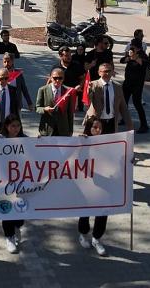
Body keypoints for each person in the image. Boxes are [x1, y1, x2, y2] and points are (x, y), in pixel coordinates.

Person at [77, 115, 110, 256]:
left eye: (100, 128)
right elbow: (77, 160)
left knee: (102, 212)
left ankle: (97, 238)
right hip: (87, 184)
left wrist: (130, 159)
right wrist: (81, 144)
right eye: (95, 127)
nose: (98, 130)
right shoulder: (82, 141)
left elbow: (120, 157)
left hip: (104, 184)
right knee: (85, 211)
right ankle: (83, 234)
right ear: (89, 128)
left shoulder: (109, 143)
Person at [0, 114, 26, 253]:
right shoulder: (0, 139)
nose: (16, 129)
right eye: (12, 126)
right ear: (7, 126)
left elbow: (39, 151)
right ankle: (9, 237)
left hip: (21, 181)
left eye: (18, 125)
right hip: (5, 182)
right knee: (7, 208)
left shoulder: (25, 140)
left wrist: (40, 141)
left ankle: (17, 227)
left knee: (20, 210)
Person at [85, 63, 133, 134]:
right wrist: (88, 90)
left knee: (109, 144)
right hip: (96, 121)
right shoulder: (93, 85)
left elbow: (123, 107)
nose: (107, 73)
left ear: (112, 72)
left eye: (109, 71)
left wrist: (130, 126)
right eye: (105, 71)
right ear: (99, 73)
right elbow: (87, 100)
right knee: (94, 144)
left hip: (111, 122)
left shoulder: (117, 87)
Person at [36, 67, 78, 137]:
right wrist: (45, 109)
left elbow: (70, 112)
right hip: (47, 129)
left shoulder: (68, 91)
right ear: (51, 78)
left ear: (63, 78)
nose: (57, 80)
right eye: (55, 78)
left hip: (63, 130)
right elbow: (37, 108)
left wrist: (71, 130)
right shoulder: (42, 90)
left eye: (60, 78)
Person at [121, 45, 149, 133]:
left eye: (133, 46)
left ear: (138, 47)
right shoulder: (131, 54)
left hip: (137, 85)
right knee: (123, 102)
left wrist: (134, 57)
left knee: (137, 104)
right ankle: (124, 119)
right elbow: (122, 60)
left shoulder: (143, 56)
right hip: (127, 83)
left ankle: (144, 125)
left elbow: (143, 63)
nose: (131, 48)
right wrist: (129, 57)